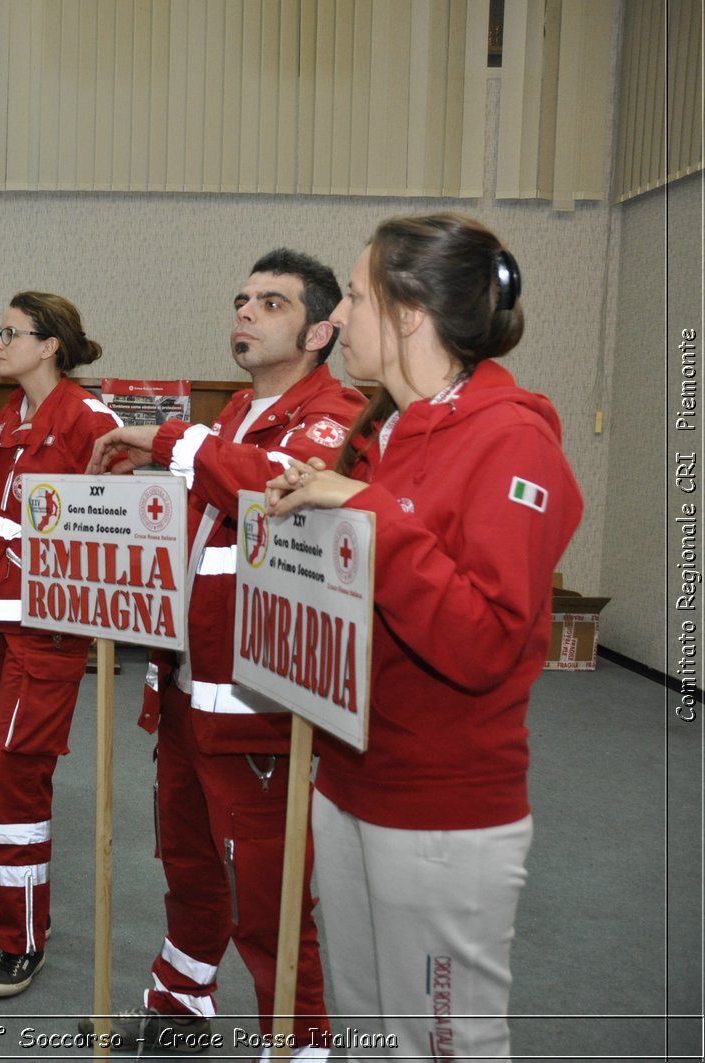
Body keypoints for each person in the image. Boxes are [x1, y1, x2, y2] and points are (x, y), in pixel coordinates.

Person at [265, 214, 582, 1060]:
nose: (339, 322)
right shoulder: (385, 430)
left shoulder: (512, 438)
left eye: (358, 298)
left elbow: (483, 640)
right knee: (368, 1029)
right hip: (353, 777)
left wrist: (359, 508)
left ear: (410, 313)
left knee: (443, 1044)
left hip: (442, 805)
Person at [84, 250, 362, 1056]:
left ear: (318, 330)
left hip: (258, 701)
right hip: (181, 685)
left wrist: (169, 441)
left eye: (270, 303)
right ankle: (179, 1005)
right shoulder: (236, 409)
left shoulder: (334, 411)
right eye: (241, 298)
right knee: (187, 860)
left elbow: (272, 483)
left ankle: (302, 1046)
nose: (244, 312)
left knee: (269, 893)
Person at [0, 291, 121, 998]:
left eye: (10, 332)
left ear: (50, 343)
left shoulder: (91, 421)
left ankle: (22, 936)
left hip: (45, 632)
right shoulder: (13, 416)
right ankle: (11, 906)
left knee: (19, 774)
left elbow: (115, 533)